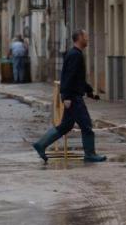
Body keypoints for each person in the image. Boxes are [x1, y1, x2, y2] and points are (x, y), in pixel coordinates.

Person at [31, 30, 106, 163]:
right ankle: (90, 154)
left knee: (66, 125)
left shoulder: (75, 54)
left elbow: (78, 79)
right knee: (86, 125)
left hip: (73, 96)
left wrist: (89, 92)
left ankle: (41, 144)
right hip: (73, 98)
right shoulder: (75, 55)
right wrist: (66, 96)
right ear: (79, 38)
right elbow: (68, 77)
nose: (88, 39)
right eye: (86, 37)